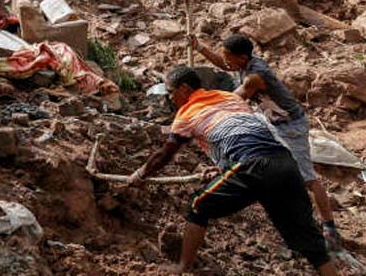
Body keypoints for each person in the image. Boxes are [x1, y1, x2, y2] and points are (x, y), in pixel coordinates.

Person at [127, 66, 337, 276]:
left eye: (171, 92)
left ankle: (183, 266)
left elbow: (164, 155)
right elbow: (240, 134)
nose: (170, 98)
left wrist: (140, 174)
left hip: (252, 165)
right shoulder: (229, 97)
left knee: (198, 205)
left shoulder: (187, 114)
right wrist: (224, 169)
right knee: (309, 239)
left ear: (184, 89)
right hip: (285, 162)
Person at [188, 34, 341, 250]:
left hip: (290, 126)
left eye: (229, 58)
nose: (227, 63)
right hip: (268, 120)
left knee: (307, 178)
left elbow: (235, 100)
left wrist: (200, 110)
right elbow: (223, 64)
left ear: (242, 58)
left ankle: (329, 227)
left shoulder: (255, 77)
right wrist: (200, 47)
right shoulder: (242, 64)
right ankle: (227, 169)